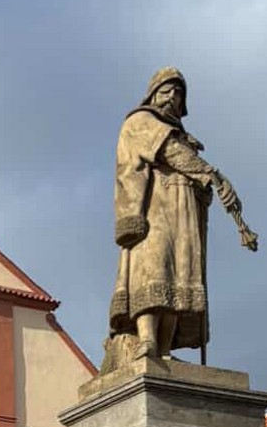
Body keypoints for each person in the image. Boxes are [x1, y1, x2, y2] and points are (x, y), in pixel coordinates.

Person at [104, 68, 257, 367]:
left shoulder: (185, 138)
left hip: (181, 213)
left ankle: (163, 348)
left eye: (178, 93)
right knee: (154, 269)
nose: (173, 96)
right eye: (167, 90)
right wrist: (211, 174)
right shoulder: (141, 122)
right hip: (153, 210)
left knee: (179, 275)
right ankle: (146, 339)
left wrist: (206, 189)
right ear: (153, 93)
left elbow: (189, 166)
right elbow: (169, 152)